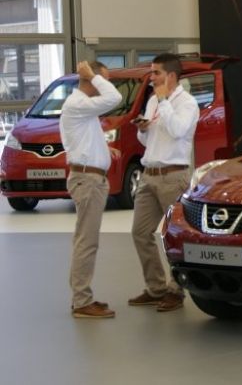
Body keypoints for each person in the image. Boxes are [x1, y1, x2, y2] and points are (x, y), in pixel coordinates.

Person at [129, 54, 198, 311]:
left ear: (170, 76)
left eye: (156, 72)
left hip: (173, 175)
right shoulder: (152, 102)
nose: (152, 77)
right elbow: (149, 141)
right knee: (139, 232)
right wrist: (143, 129)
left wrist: (163, 101)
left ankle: (175, 290)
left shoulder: (187, 103)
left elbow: (178, 130)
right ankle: (156, 287)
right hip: (149, 175)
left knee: (174, 235)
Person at [60, 60, 123, 318]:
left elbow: (82, 139)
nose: (105, 85)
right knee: (87, 242)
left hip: (90, 179)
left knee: (86, 240)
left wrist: (103, 150)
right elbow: (115, 98)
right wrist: (92, 76)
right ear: (88, 79)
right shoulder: (78, 104)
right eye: (102, 80)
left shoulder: (82, 109)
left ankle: (81, 298)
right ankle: (82, 301)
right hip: (87, 181)